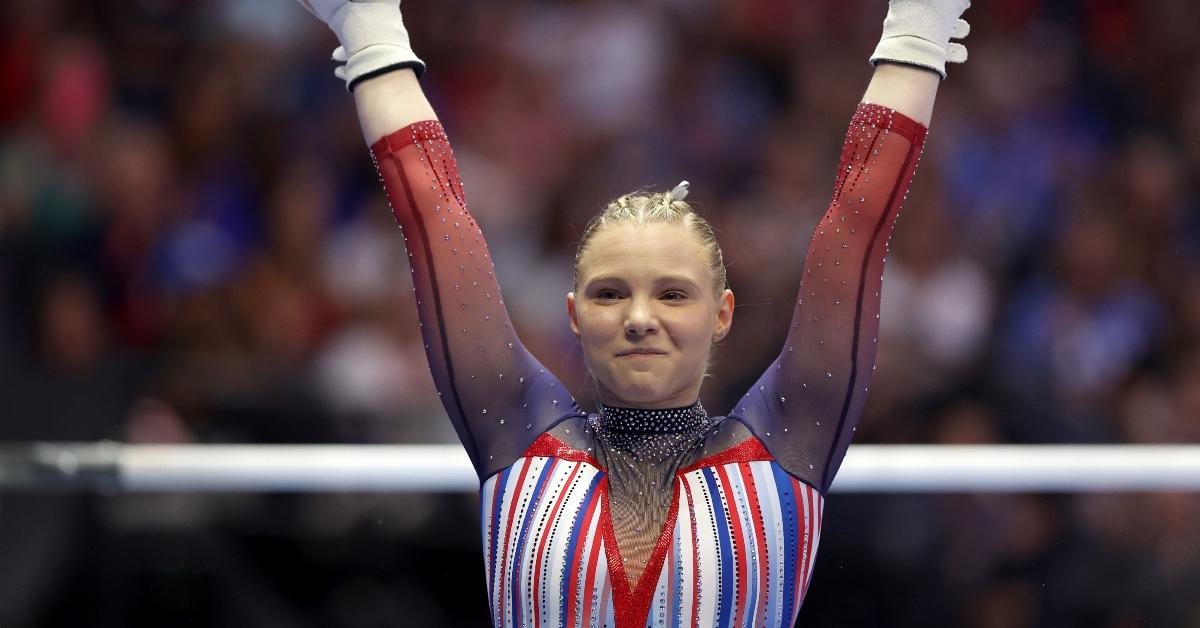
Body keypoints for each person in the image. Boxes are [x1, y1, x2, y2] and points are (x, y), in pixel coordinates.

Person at [297, 0, 971, 625]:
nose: (639, 318)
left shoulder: (790, 441)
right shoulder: (516, 435)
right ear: (573, 314)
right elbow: (435, 220)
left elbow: (856, 226)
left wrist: (917, 29)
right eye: (609, 293)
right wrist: (370, 27)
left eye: (673, 294)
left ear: (722, 315)